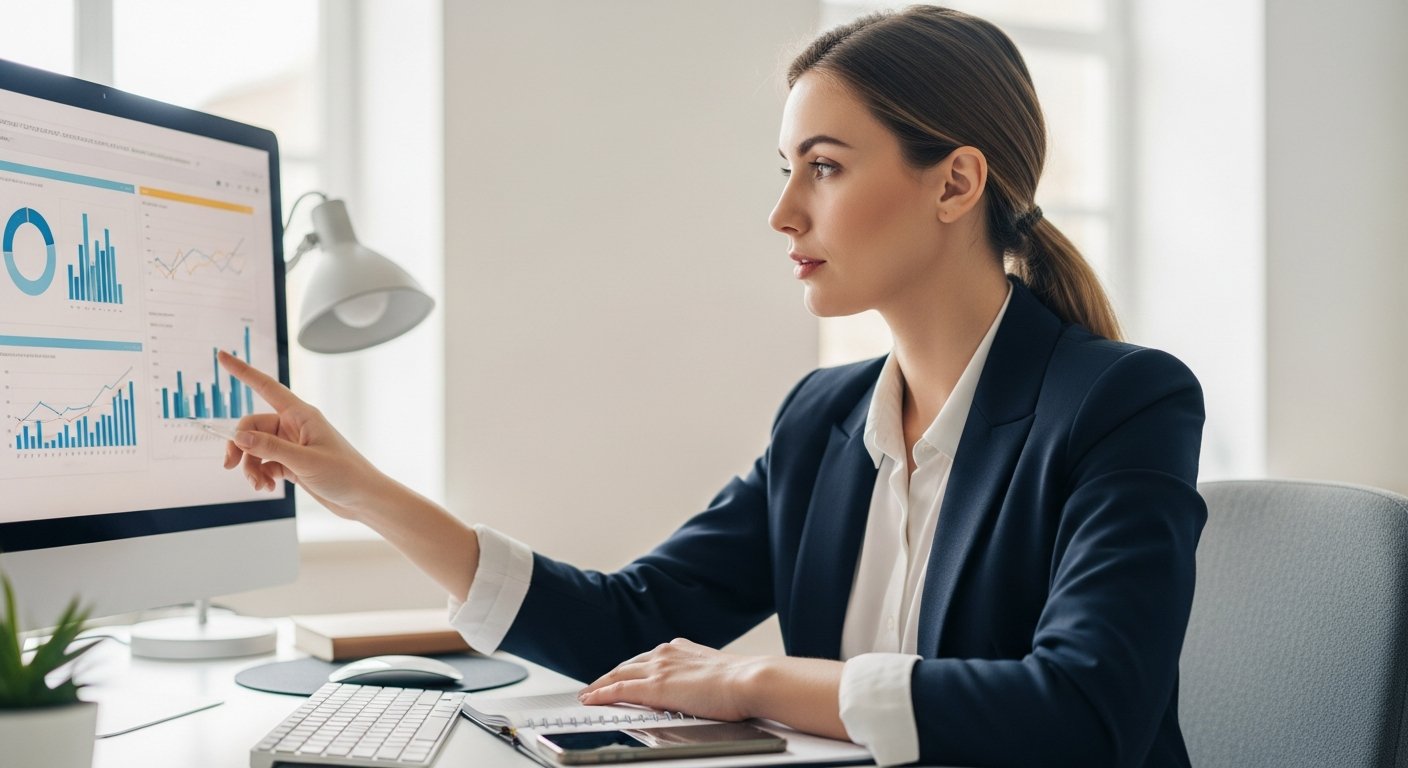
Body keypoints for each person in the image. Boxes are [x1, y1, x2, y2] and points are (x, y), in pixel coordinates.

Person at [219, 7, 1205, 767]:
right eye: (785, 169)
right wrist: (364, 492)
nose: (781, 212)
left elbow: (1086, 708)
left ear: (954, 184)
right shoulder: (822, 422)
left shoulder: (1123, 404)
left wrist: (755, 681)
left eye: (822, 168)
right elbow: (633, 618)